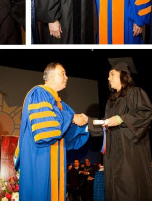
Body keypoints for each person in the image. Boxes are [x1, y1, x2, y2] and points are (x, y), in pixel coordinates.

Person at [15, 62, 89, 200]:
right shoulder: (39, 93)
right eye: (63, 74)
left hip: (55, 162)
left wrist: (85, 123)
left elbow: (69, 137)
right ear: (50, 76)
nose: (67, 77)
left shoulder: (61, 104)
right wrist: (72, 117)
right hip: (40, 158)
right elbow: (46, 132)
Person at [85, 59, 152, 200]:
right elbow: (106, 125)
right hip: (112, 155)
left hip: (130, 153)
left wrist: (122, 119)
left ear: (123, 75)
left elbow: (146, 113)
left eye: (112, 74)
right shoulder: (111, 101)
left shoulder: (136, 93)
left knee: (130, 190)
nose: (108, 78)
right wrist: (87, 122)